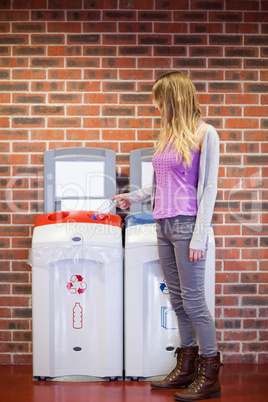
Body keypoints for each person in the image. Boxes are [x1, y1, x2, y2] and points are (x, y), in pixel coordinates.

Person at [112, 71, 222, 401]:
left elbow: (209, 188)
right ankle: (186, 366)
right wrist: (133, 197)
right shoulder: (166, 134)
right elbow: (161, 186)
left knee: (193, 301)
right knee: (176, 300)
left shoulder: (206, 133)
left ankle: (210, 374)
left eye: (160, 99)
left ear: (173, 97)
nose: (156, 106)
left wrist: (200, 236)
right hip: (162, 225)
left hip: (188, 227)